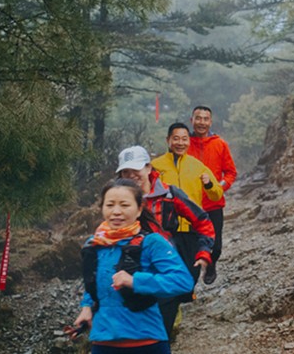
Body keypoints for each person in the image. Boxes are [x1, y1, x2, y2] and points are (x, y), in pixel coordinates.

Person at [71, 178, 193, 354]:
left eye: (124, 205)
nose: (116, 212)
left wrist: (135, 281)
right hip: (103, 341)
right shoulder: (94, 244)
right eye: (110, 205)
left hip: (147, 340)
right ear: (102, 208)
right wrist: (86, 307)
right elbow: (93, 280)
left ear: (139, 210)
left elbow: (183, 281)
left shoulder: (152, 242)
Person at [116, 145, 216, 341]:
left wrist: (204, 252)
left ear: (148, 168)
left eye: (135, 169)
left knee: (160, 330)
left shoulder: (169, 195)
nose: (130, 175)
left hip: (165, 268)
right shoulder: (116, 200)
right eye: (125, 171)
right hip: (129, 269)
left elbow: (202, 221)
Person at [151, 122, 223, 284]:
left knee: (191, 275)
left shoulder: (197, 166)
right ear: (168, 140)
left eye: (184, 139)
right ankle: (172, 305)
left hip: (192, 230)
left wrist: (209, 184)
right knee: (167, 271)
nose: (180, 143)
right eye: (176, 138)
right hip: (166, 230)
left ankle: (182, 297)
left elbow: (216, 195)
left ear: (189, 141)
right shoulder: (156, 166)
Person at [188, 105, 237, 285]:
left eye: (205, 119)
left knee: (215, 246)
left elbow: (230, 172)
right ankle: (189, 281)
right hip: (189, 205)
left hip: (213, 205)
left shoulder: (219, 144)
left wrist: (219, 187)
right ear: (191, 120)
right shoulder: (184, 143)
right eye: (198, 118)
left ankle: (211, 263)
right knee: (191, 245)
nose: (201, 122)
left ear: (210, 121)